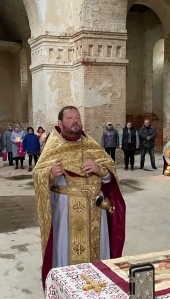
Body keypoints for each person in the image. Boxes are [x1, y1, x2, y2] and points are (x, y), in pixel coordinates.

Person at [33, 105, 126, 287]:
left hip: (96, 213)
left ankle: (99, 287)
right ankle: (68, 288)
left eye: (77, 117)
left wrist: (100, 170)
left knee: (98, 257)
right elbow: (38, 176)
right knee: (67, 254)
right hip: (66, 214)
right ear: (60, 123)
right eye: (70, 118)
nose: (75, 121)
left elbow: (110, 179)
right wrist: (51, 174)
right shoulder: (53, 146)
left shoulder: (91, 145)